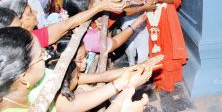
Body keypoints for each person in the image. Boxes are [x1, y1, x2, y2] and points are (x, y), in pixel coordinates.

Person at [0, 27, 150, 112]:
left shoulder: (38, 81)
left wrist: (123, 84)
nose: (47, 56)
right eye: (41, 56)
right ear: (24, 75)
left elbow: (70, 105)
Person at [144, 0, 188, 92]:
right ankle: (158, 79)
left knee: (167, 48)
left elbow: (176, 0)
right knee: (155, 47)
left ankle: (166, 82)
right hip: (152, 18)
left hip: (167, 18)